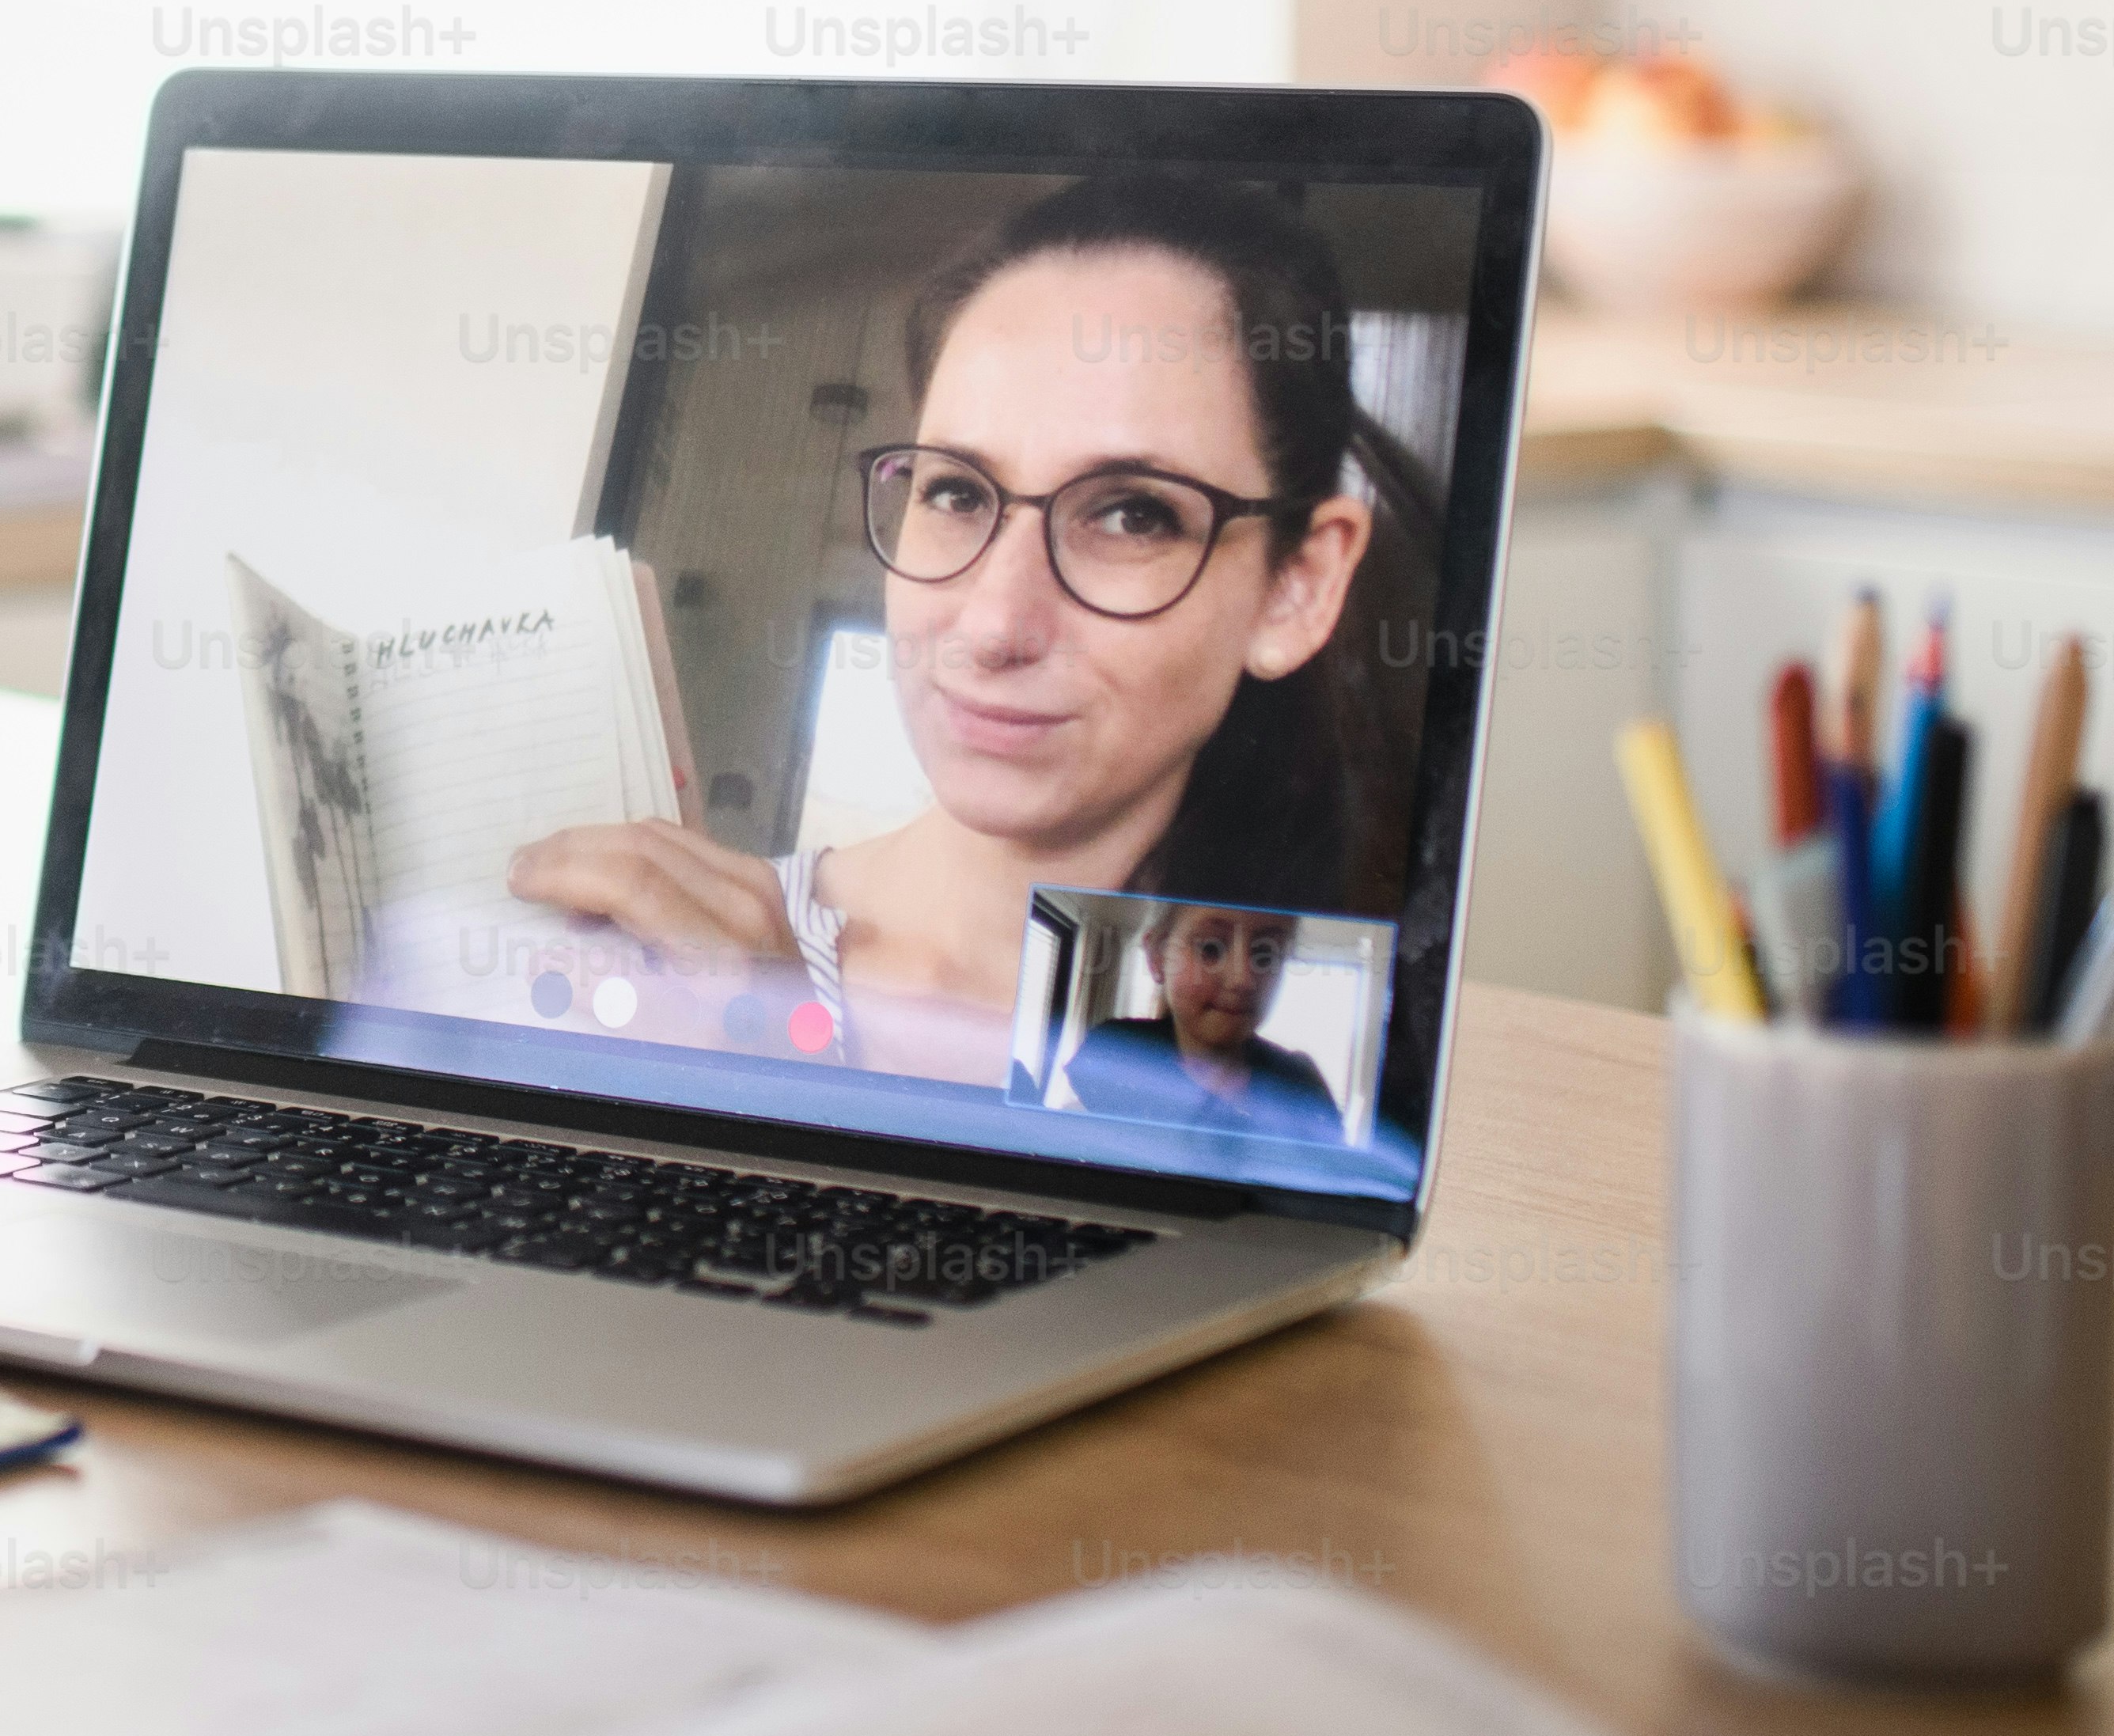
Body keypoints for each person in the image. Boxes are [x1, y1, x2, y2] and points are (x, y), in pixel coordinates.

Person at [512, 172, 1438, 1082]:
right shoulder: (659, 976)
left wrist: (792, 1078)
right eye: (955, 493)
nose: (994, 626)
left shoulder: (1335, 1063)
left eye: (1131, 515)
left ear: (1295, 589)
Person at [1032, 904, 1357, 1144]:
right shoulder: (1115, 1053)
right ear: (1158, 957)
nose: (1242, 979)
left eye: (1265, 955)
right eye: (1210, 948)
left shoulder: (1301, 1083)